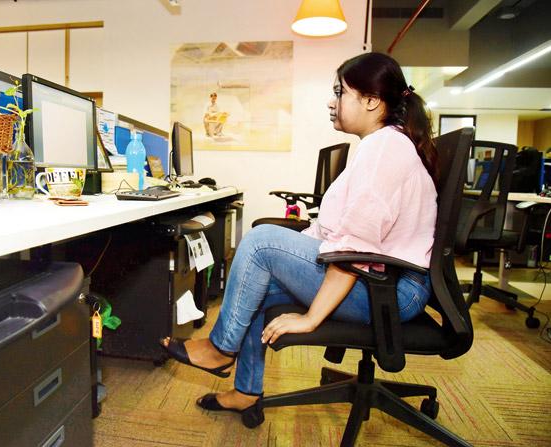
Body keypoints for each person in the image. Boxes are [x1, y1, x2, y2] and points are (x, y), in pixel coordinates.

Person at [161, 52, 438, 428]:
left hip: (391, 293)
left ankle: (219, 349)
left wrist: (311, 319)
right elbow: (332, 233)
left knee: (259, 241)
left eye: (340, 92)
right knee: (257, 285)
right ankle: (245, 392)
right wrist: (291, 254)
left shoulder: (386, 149)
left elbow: (355, 248)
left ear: (372, 101)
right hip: (382, 282)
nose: (331, 101)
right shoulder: (379, 145)